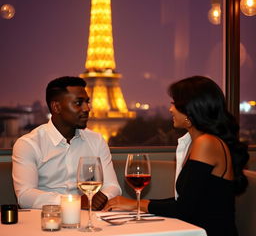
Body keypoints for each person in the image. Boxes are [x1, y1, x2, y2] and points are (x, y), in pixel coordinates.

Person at [103, 76, 249, 236]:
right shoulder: (196, 142)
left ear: (190, 110)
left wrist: (135, 204)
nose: (170, 109)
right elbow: (185, 201)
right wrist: (135, 204)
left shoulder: (206, 143)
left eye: (174, 104)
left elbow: (183, 209)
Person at [12, 76, 121, 209]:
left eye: (87, 102)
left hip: (90, 218)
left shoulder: (96, 141)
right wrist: (75, 202)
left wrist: (103, 196)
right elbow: (25, 196)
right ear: (56, 107)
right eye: (78, 103)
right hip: (47, 221)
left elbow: (113, 186)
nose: (87, 108)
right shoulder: (28, 144)